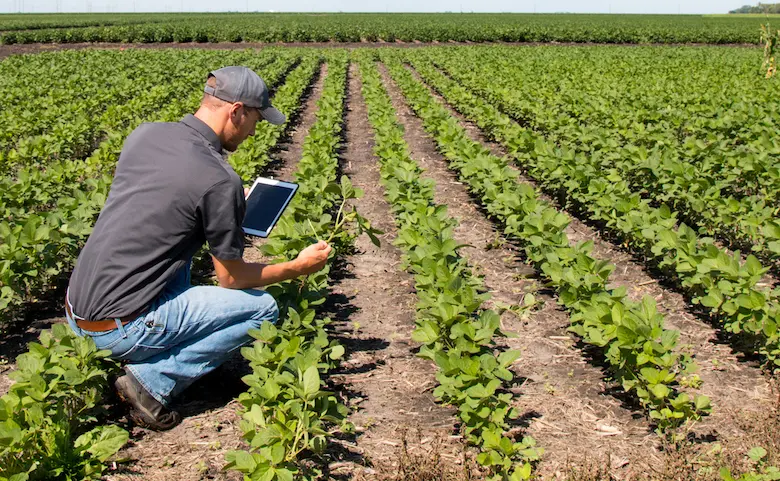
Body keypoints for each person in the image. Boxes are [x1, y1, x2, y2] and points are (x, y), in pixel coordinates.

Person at [64, 66, 332, 431]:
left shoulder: (146, 134)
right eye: (255, 118)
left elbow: (165, 206)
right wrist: (297, 267)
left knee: (179, 255)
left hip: (77, 309)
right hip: (117, 329)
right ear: (236, 111)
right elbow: (231, 279)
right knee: (262, 308)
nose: (255, 131)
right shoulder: (219, 180)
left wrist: (227, 209)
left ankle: (148, 340)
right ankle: (152, 382)